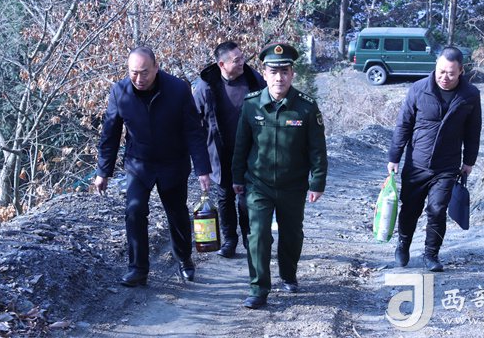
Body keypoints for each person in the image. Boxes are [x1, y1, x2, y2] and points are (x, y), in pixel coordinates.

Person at [94, 46, 212, 287]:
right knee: (134, 211)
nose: (139, 78)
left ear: (156, 67)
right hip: (139, 163)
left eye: (144, 72)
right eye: (133, 72)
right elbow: (110, 134)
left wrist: (202, 168)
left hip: (173, 161)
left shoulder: (178, 89)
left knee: (176, 212)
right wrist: (103, 172)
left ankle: (184, 259)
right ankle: (138, 269)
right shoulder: (119, 92)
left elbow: (193, 130)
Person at [232, 43, 328, 309]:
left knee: (292, 234)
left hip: (293, 185)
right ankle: (258, 288)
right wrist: (237, 178)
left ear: (292, 74)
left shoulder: (306, 107)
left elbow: (317, 149)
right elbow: (241, 145)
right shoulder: (251, 104)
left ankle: (288, 274)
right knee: (258, 234)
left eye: (284, 71)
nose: (279, 78)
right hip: (258, 184)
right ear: (264, 74)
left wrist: (317, 181)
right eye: (273, 72)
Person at [387, 46, 481, 272]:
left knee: (437, 210)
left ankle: (431, 254)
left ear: (461, 71)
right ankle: (403, 245)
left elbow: (473, 131)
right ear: (435, 67)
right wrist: (394, 156)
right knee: (410, 208)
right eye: (441, 71)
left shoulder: (470, 95)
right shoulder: (419, 89)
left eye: (450, 73)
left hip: (447, 166)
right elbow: (403, 125)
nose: (444, 77)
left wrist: (469, 161)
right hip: (416, 164)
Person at [193, 41, 266, 258]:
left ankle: (250, 239)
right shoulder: (206, 86)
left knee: (246, 199)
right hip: (220, 153)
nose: (242, 62)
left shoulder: (253, 79)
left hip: (250, 152)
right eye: (237, 60)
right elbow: (194, 124)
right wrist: (201, 164)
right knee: (225, 198)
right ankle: (230, 240)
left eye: (242, 57)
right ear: (222, 65)